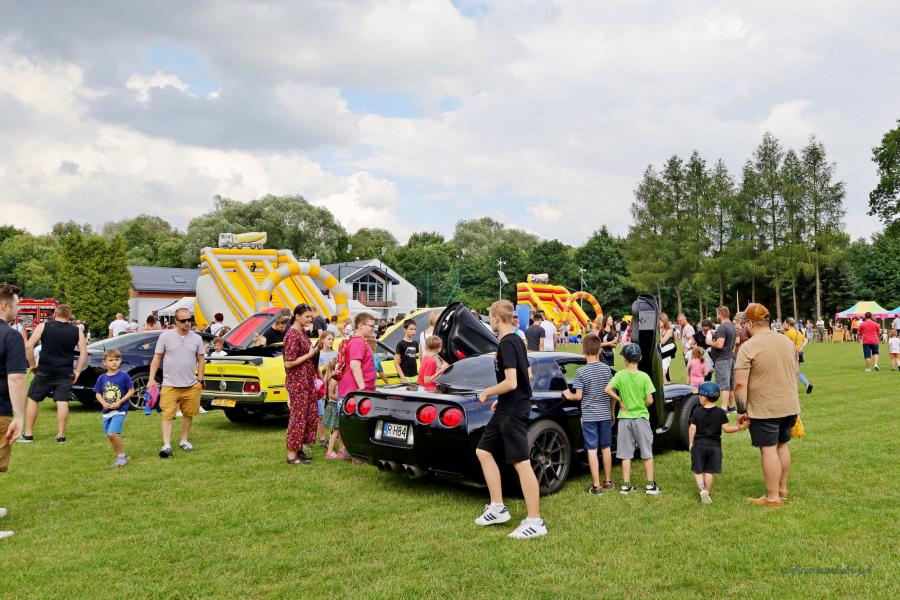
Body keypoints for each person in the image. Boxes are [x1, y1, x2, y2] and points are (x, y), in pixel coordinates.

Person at [474, 301, 545, 539]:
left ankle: (535, 521)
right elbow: (528, 374)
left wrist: (488, 392)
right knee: (483, 451)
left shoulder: (507, 343)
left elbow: (512, 382)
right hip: (508, 405)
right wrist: (502, 398)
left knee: (521, 462)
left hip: (514, 410)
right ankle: (498, 508)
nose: (489, 320)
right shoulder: (516, 341)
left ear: (496, 317)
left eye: (490, 316)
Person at [734, 303, 801, 508]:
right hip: (790, 406)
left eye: (744, 323)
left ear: (750, 323)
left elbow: (739, 384)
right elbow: (796, 372)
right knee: (782, 445)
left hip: (765, 409)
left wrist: (741, 410)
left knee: (768, 449)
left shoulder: (748, 347)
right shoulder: (787, 342)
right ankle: (782, 489)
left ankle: (772, 498)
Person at [21, 304, 87, 443]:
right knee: (62, 401)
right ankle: (61, 435)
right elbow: (84, 353)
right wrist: (78, 371)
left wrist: (32, 365)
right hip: (65, 371)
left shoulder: (43, 326)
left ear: (55, 314)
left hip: (45, 370)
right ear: (69, 316)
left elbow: (28, 346)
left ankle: (28, 434)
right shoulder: (77, 330)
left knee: (33, 399)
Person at [148, 308, 206, 459]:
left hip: (191, 384)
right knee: (167, 415)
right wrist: (151, 379)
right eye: (183, 320)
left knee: (188, 413)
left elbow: (201, 359)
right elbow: (157, 358)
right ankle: (166, 445)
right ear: (176, 321)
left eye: (189, 320)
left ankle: (184, 441)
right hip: (170, 384)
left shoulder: (197, 338)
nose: (187, 323)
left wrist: (200, 379)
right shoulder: (165, 336)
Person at [605, 343, 660, 495]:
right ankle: (650, 485)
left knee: (625, 454)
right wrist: (642, 405)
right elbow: (650, 400)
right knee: (647, 452)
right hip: (641, 418)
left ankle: (626, 485)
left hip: (624, 419)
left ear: (624, 359)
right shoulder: (644, 377)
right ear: (640, 358)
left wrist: (620, 400)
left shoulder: (619, 375)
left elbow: (607, 389)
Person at [562, 334, 614, 494]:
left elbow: (578, 396)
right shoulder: (607, 369)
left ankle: (596, 485)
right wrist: (612, 411)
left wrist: (567, 394)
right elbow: (611, 393)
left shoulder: (581, 372)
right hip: (605, 414)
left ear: (583, 351)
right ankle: (608, 481)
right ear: (599, 350)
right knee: (606, 447)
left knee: (592, 449)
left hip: (590, 416)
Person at [688, 382, 745, 504]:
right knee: (709, 471)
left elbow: (692, 428)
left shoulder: (697, 412)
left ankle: (702, 489)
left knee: (698, 470)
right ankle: (707, 493)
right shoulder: (720, 412)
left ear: (704, 397)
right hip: (715, 447)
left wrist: (691, 443)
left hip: (699, 446)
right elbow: (726, 429)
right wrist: (739, 427)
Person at [0, 284, 27, 539]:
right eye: (17, 305)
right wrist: (19, 416)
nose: (18, 310)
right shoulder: (11, 336)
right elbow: (16, 378)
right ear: (5, 305)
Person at [282, 304, 320, 465]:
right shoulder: (292, 335)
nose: (310, 319)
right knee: (298, 418)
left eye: (311, 317)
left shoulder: (302, 332)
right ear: (297, 316)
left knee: (307, 415)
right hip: (298, 382)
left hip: (307, 380)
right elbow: (288, 362)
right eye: (307, 316)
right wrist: (309, 355)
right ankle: (292, 455)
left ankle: (299, 450)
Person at [93, 349, 133, 467]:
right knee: (110, 437)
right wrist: (103, 403)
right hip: (107, 411)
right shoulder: (102, 378)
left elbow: (131, 390)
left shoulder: (124, 376)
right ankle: (121, 456)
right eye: (111, 360)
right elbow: (98, 393)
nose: (114, 362)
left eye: (117, 359)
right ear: (104, 362)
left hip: (119, 411)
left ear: (120, 361)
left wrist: (120, 402)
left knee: (112, 434)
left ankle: (121, 458)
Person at [707, 307, 736, 412]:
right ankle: (732, 406)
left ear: (721, 314)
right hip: (730, 358)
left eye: (717, 314)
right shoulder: (732, 325)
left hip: (722, 359)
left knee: (724, 386)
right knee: (730, 385)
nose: (716, 316)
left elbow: (719, 345)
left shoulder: (722, 327)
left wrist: (709, 342)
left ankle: (724, 408)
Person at [317, 331, 337, 446]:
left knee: (334, 411)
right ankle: (323, 438)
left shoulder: (335, 353)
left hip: (334, 386)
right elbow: (317, 370)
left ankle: (335, 434)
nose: (331, 341)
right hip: (322, 386)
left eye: (332, 339)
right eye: (329, 339)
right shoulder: (319, 354)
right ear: (322, 340)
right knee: (321, 414)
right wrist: (324, 368)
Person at [782, 318, 813, 394]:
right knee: (796, 372)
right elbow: (806, 340)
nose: (783, 324)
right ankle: (807, 384)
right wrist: (801, 347)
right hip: (799, 353)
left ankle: (792, 389)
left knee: (789, 371)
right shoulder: (797, 332)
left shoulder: (787, 333)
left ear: (788, 324)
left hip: (791, 354)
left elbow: (786, 345)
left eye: (784, 323)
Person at [394, 319, 419, 385]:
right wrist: (403, 377)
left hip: (414, 375)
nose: (413, 331)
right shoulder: (401, 344)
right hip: (404, 376)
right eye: (411, 329)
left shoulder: (416, 343)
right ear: (405, 330)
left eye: (415, 329)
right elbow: (396, 363)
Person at [658, 313, 676, 383]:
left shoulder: (669, 330)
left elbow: (662, 342)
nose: (658, 323)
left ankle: (666, 385)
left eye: (660, 321)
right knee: (665, 372)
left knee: (663, 371)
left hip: (667, 352)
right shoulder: (660, 330)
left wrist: (659, 332)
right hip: (662, 352)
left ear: (664, 321)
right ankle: (667, 383)